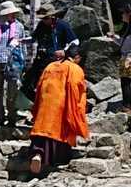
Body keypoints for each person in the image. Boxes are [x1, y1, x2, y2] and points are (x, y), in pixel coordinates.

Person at [28, 42, 88, 176]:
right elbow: (76, 89)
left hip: (45, 101)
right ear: (77, 57)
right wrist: (78, 106)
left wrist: (38, 103)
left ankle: (37, 154)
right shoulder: (75, 68)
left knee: (42, 129)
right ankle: (56, 159)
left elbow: (39, 85)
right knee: (57, 131)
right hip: (61, 104)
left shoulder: (50, 66)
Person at [0, 1, 27, 127]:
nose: (11, 15)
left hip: (14, 61)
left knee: (13, 89)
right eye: (9, 13)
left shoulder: (19, 26)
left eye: (12, 13)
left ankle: (12, 117)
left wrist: (24, 60)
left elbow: (22, 44)